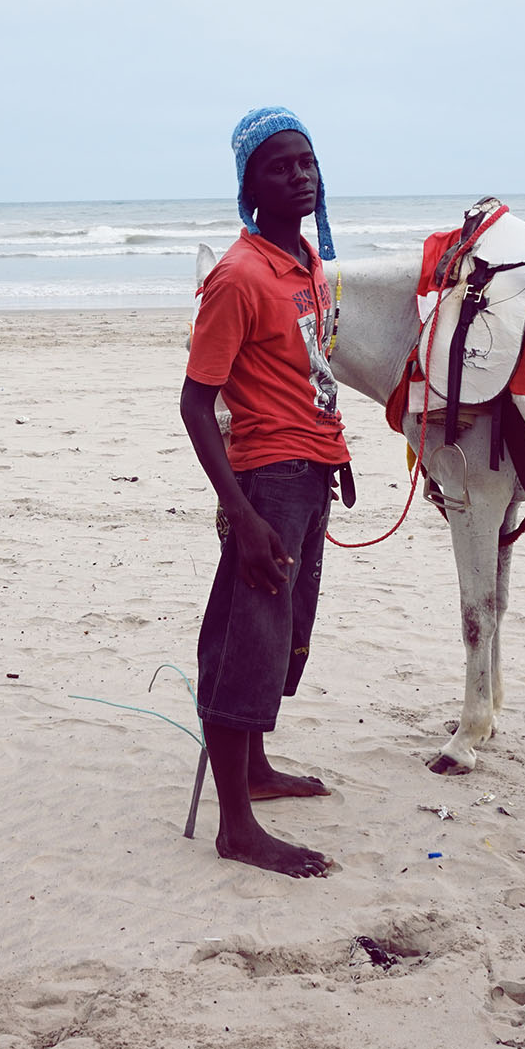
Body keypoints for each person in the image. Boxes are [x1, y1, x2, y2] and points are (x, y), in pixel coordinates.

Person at [179, 106, 348, 879]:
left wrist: (335, 451)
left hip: (309, 465)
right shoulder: (239, 276)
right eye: (280, 166)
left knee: (281, 631)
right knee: (245, 638)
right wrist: (241, 514)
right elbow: (194, 401)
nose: (300, 176)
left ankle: (253, 770)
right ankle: (236, 826)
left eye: (307, 162)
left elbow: (309, 368)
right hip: (266, 479)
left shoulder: (306, 262)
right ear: (249, 183)